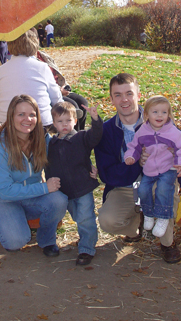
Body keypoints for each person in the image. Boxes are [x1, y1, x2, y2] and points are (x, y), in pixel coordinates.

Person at [94, 73, 181, 264]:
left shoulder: (158, 119)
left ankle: (167, 243)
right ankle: (136, 226)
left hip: (159, 182)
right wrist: (137, 166)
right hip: (126, 185)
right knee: (107, 220)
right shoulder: (107, 130)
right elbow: (107, 173)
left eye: (129, 93)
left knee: (163, 191)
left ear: (138, 95)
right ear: (111, 99)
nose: (124, 99)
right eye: (117, 95)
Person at [0, 95, 68, 256]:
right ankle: (8, 221)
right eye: (21, 114)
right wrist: (44, 187)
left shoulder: (42, 139)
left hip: (31, 197)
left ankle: (47, 240)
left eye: (32, 114)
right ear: (11, 117)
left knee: (59, 200)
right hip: (3, 199)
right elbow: (5, 191)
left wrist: (87, 166)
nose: (27, 119)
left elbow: (65, 153)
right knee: (16, 241)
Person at [124, 95, 181, 238]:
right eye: (155, 112)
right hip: (149, 170)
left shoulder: (173, 132)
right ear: (147, 115)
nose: (160, 115)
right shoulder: (142, 131)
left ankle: (163, 218)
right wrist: (130, 156)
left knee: (163, 190)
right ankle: (148, 214)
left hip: (168, 168)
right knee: (143, 190)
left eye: (164, 112)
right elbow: (134, 146)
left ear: (169, 115)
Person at [45, 102, 103, 266]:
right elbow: (48, 166)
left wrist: (95, 119)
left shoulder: (81, 138)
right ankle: (86, 237)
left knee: (86, 218)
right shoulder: (51, 144)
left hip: (83, 187)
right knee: (78, 217)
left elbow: (96, 135)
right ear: (54, 124)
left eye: (68, 120)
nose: (65, 125)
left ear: (75, 121)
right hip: (64, 191)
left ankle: (87, 248)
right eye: (60, 121)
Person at [0, 30, 62, 127]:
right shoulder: (42, 67)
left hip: (8, 123)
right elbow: (56, 98)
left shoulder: (2, 69)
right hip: (40, 123)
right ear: (34, 44)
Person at [37, 48, 88, 130]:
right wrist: (59, 90)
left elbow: (57, 74)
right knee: (73, 106)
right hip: (51, 93)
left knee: (82, 102)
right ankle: (73, 137)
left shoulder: (43, 55)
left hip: (59, 88)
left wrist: (64, 85)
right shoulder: (32, 61)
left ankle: (81, 135)